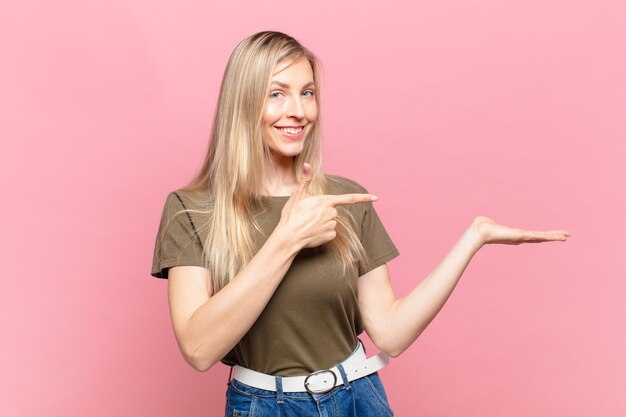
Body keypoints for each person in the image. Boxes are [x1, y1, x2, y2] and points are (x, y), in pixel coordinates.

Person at [150, 31, 571, 417]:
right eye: (276, 94)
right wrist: (287, 239)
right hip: (263, 405)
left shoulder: (345, 198)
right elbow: (199, 348)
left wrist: (473, 238)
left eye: (307, 93)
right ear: (242, 102)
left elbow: (389, 333)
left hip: (357, 397)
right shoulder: (192, 208)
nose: (297, 111)